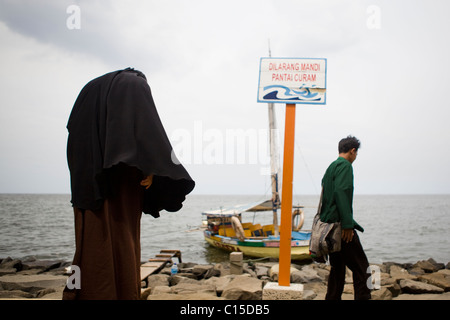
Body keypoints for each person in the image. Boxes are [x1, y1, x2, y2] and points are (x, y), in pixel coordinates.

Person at [63, 68, 195, 300]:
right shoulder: (132, 83)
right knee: (122, 240)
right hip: (122, 181)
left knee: (89, 242)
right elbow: (146, 129)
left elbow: (76, 132)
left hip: (84, 178)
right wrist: (152, 167)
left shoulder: (91, 91)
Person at [319, 136, 371, 300]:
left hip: (329, 228)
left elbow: (328, 198)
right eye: (356, 153)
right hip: (341, 228)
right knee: (364, 268)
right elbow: (341, 193)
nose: (355, 157)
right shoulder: (345, 166)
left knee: (338, 269)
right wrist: (348, 225)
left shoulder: (331, 167)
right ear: (352, 150)